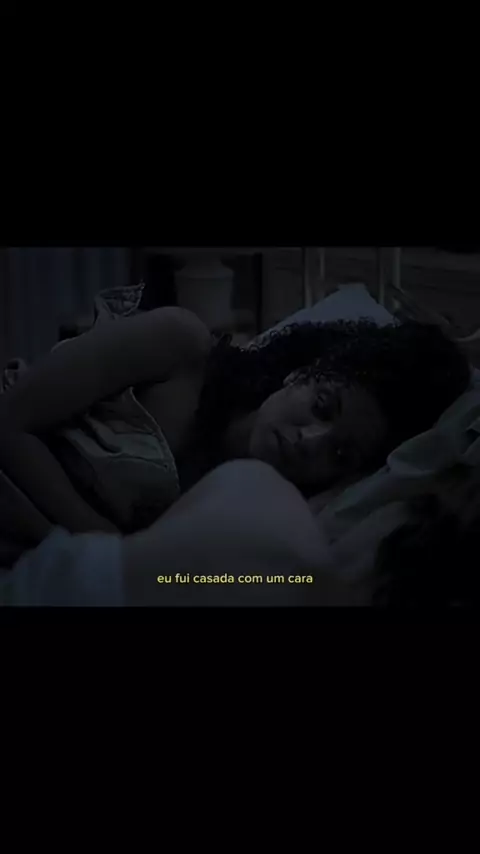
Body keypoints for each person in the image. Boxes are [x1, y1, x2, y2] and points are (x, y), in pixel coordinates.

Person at [0, 283, 471, 541]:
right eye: (322, 407)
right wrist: (102, 545)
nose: (310, 441)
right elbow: (9, 420)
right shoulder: (177, 345)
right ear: (300, 374)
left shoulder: (259, 511)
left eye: (341, 453)